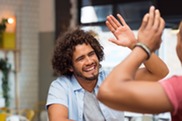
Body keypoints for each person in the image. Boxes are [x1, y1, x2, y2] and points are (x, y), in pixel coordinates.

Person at [46, 6, 169, 121]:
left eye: (91, 54)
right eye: (80, 59)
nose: (89, 61)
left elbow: (160, 72)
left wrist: (134, 44)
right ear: (69, 66)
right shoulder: (61, 86)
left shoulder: (112, 79)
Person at [97, 5, 182, 121]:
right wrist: (137, 45)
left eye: (178, 37)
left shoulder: (179, 88)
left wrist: (142, 46)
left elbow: (108, 90)